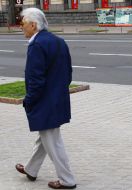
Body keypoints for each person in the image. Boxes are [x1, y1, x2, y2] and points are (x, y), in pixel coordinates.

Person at [15, 7, 77, 189]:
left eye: (23, 23)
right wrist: (58, 92)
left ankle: (67, 180)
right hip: (57, 99)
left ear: (33, 25)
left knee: (53, 142)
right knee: (45, 137)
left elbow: (35, 80)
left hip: (45, 101)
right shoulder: (58, 41)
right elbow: (68, 73)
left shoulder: (37, 45)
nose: (21, 27)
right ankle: (31, 169)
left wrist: (29, 101)